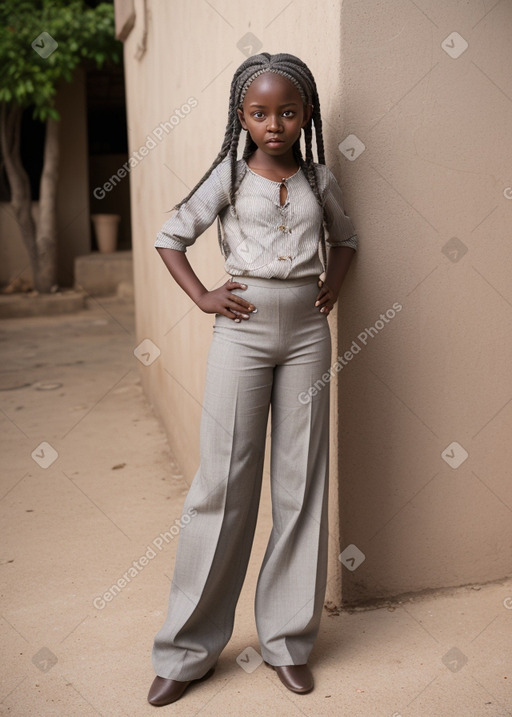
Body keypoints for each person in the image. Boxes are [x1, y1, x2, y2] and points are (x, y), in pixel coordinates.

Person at [147, 52, 358, 707]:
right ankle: (187, 651)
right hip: (241, 333)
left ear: (306, 116)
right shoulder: (229, 179)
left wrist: (333, 284)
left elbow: (348, 240)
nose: (274, 124)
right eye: (260, 113)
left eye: (287, 113)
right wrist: (204, 296)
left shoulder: (321, 179)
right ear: (241, 115)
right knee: (224, 483)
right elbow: (170, 236)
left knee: (301, 483)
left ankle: (288, 643)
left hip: (305, 336)